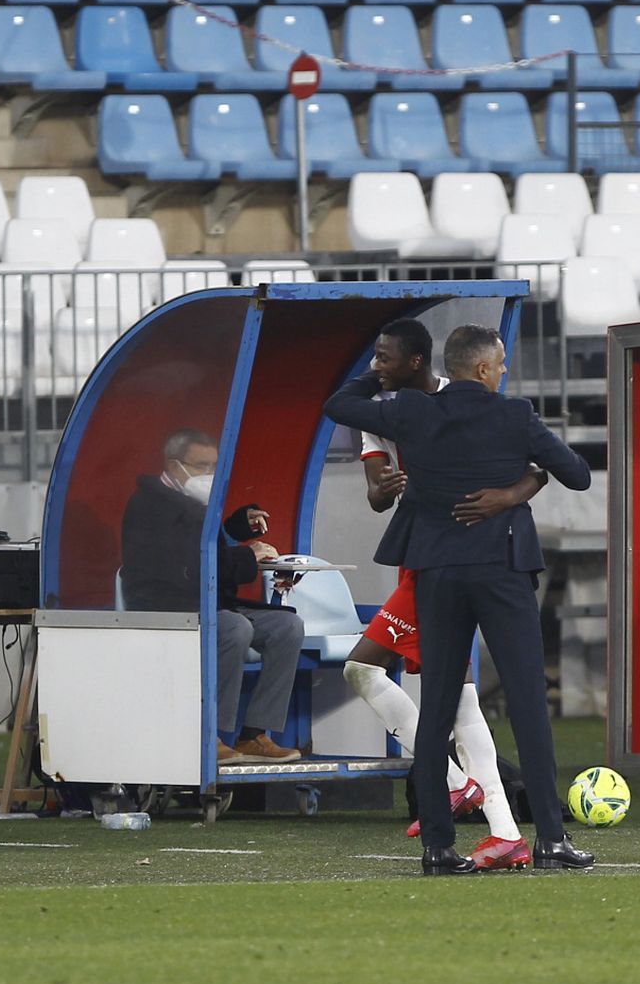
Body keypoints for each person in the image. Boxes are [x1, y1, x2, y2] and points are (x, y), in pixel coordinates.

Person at [325, 323, 595, 876]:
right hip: (501, 568)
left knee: (437, 708)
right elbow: (577, 475)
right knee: (527, 704)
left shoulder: (410, 411)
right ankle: (550, 839)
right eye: (500, 363)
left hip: (437, 571)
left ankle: (438, 850)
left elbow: (339, 404)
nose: (504, 371)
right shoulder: (515, 414)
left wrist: (376, 373)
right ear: (483, 368)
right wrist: (516, 491)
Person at [121, 429, 304, 766]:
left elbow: (209, 544)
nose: (210, 474)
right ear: (174, 466)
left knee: (287, 627)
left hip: (209, 603)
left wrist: (238, 526)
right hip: (168, 607)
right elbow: (188, 564)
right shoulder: (148, 506)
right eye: (201, 466)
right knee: (234, 628)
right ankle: (210, 736)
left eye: (214, 467)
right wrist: (248, 556)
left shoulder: (191, 500)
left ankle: (254, 734)